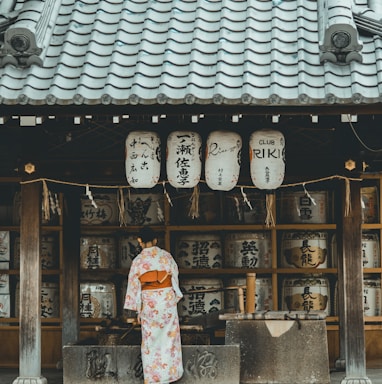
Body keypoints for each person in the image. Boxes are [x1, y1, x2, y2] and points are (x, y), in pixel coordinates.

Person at [124, 226, 184, 384]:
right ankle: (170, 375)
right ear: (156, 239)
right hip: (166, 302)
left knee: (150, 341)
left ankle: (153, 378)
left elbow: (134, 286)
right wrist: (172, 297)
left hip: (149, 303)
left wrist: (137, 307)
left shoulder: (138, 261)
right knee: (169, 338)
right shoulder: (166, 257)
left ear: (139, 241)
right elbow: (174, 278)